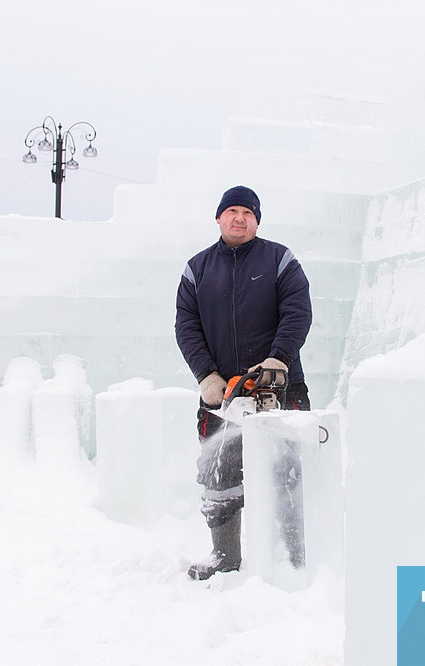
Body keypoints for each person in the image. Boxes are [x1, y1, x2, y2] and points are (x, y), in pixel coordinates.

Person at [175, 185, 313, 580]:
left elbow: (297, 311)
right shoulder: (197, 269)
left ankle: (293, 556)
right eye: (232, 211)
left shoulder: (279, 259)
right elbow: (187, 326)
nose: (239, 218)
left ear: (257, 220)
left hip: (280, 387)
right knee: (219, 471)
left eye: (247, 212)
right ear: (219, 218)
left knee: (285, 469)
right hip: (221, 394)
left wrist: (279, 358)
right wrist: (207, 376)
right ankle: (225, 555)